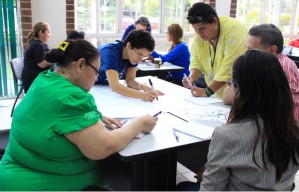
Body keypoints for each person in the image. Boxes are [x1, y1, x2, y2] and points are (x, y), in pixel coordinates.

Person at [0, 39, 158, 190]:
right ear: (80, 65)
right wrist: (140, 124)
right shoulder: (72, 98)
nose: (96, 78)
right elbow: (102, 147)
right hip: (38, 182)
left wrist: (95, 115)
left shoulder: (45, 79)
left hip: (14, 171)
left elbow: (56, 111)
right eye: (96, 71)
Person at [177, 50, 299, 191]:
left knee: (183, 186)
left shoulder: (227, 135)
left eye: (231, 82)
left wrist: (205, 177)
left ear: (240, 89)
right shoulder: (293, 129)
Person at [223, 24, 299, 119]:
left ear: (272, 50)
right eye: (246, 48)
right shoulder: (260, 65)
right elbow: (227, 97)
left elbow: (286, 111)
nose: (246, 53)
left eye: (251, 50)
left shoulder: (280, 67)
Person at [182, 2, 247, 99]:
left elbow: (230, 67)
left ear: (215, 21)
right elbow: (196, 60)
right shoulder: (199, 34)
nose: (199, 34)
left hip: (236, 96)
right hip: (215, 95)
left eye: (202, 29)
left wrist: (208, 91)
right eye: (195, 30)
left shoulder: (235, 30)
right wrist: (191, 78)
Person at [96, 29, 162, 102]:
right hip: (87, 87)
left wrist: (143, 87)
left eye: (144, 57)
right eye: (139, 55)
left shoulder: (132, 56)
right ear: (128, 45)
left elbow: (130, 80)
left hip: (102, 88)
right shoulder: (110, 53)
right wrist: (143, 95)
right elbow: (115, 86)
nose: (140, 60)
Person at [21, 22, 53, 93]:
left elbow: (48, 56)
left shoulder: (43, 44)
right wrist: (54, 61)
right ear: (41, 33)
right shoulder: (38, 45)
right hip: (32, 77)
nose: (50, 35)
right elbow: (42, 64)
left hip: (35, 74)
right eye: (48, 32)